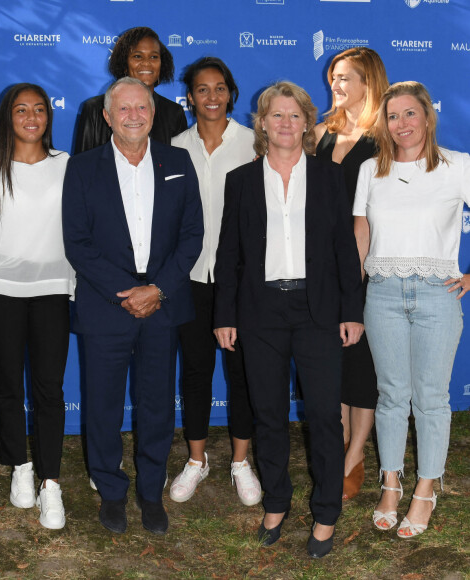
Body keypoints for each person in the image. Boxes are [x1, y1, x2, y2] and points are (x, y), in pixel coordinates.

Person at [214, 81, 364, 558]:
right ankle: (276, 502)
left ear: (306, 122)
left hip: (318, 311)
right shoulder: (240, 180)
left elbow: (345, 249)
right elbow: (229, 254)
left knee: (323, 414)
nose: (285, 124)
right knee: (269, 414)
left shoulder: (329, 177)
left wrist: (351, 312)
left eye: (294, 116)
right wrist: (225, 315)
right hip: (261, 314)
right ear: (262, 123)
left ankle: (325, 513)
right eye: (276, 116)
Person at [62, 77, 203, 536]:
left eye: (141, 107)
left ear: (153, 112)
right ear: (107, 117)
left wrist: (157, 289)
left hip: (162, 305)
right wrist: (128, 292)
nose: (134, 116)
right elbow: (78, 244)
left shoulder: (178, 162)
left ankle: (150, 492)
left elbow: (192, 236)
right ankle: (112, 491)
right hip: (108, 306)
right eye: (123, 109)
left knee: (157, 404)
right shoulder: (82, 169)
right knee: (102, 405)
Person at [354, 81, 469, 538]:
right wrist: (353, 293)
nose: (402, 124)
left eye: (410, 114)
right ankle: (390, 484)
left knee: (431, 399)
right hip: (381, 293)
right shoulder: (369, 171)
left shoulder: (457, 166)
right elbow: (360, 235)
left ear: (427, 117)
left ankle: (426, 489)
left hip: (437, 294)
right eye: (393, 116)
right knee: (391, 395)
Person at [0, 83, 75, 530]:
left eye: (39, 109)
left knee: (50, 388)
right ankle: (20, 466)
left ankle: (51, 484)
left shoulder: (66, 165)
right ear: (6, 117)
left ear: (48, 116)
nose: (32, 117)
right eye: (21, 110)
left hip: (53, 288)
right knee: (8, 383)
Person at [169, 57, 260, 506]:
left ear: (230, 93)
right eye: (202, 89)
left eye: (220, 88)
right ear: (189, 97)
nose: (211, 97)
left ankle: (241, 461)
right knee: (196, 371)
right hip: (189, 279)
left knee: (242, 372)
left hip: (242, 281)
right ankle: (197, 459)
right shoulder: (173, 146)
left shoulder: (253, 143)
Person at [314, 47, 389, 500]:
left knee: (361, 365)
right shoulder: (323, 131)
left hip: (366, 264)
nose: (336, 86)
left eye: (345, 78)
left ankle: (355, 455)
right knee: (332, 362)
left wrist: (357, 275)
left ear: (369, 82)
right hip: (319, 267)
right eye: (334, 78)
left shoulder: (385, 139)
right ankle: (339, 443)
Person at [74, 26, 187, 153]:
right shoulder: (94, 109)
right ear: (124, 64)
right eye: (138, 56)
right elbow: (81, 167)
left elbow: (179, 166)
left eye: (154, 57)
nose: (146, 63)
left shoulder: (174, 113)